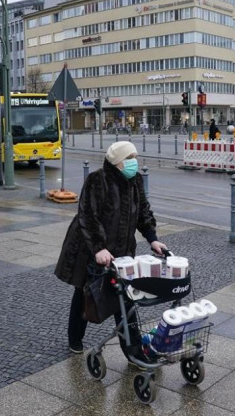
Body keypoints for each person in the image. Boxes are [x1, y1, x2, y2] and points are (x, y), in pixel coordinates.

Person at [55, 141, 167, 359]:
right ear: (117, 162)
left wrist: (153, 239)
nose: (134, 162)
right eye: (129, 158)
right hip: (89, 248)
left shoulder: (134, 180)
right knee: (85, 293)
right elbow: (88, 215)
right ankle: (75, 339)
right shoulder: (98, 180)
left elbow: (143, 211)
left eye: (135, 157)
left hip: (122, 249)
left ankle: (133, 351)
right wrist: (98, 248)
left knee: (124, 297)